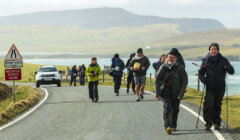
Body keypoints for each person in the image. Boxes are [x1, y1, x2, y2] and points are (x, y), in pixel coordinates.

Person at [199, 43, 235, 130]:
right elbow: (201, 73)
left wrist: (228, 67)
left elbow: (232, 71)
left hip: (220, 86)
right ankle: (208, 123)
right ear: (209, 50)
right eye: (212, 49)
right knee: (208, 105)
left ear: (218, 50)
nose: (213, 50)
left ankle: (216, 123)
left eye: (215, 49)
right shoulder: (205, 60)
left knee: (217, 105)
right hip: (210, 86)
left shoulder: (224, 60)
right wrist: (203, 80)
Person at [155, 49, 188, 134]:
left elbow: (185, 81)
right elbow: (157, 80)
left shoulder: (180, 67)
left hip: (177, 92)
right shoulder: (163, 67)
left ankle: (173, 125)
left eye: (172, 57)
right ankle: (168, 126)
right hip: (166, 91)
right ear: (167, 58)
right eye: (169, 57)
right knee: (168, 108)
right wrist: (157, 93)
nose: (170, 58)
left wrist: (181, 94)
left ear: (176, 58)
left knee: (175, 109)